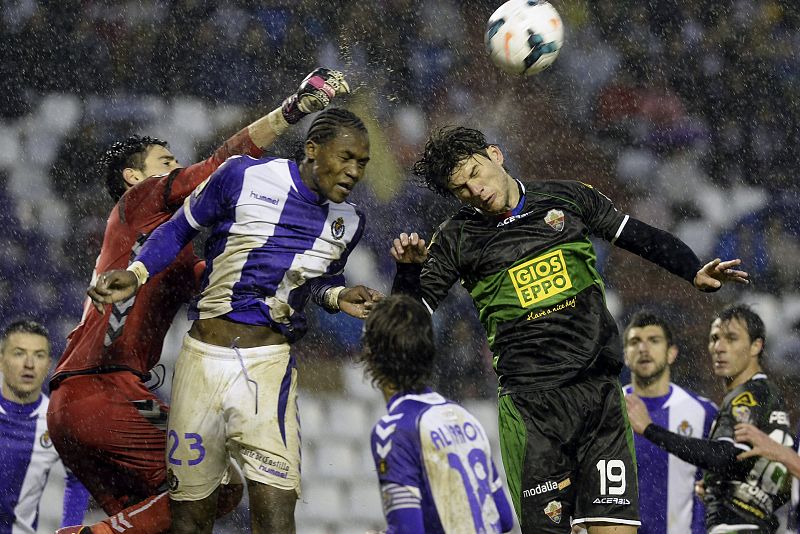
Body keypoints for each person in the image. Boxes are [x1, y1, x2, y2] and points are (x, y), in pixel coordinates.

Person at [390, 125, 749, 533]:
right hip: (532, 409)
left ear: (495, 154)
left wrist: (691, 270)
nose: (475, 190)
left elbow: (637, 235)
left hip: (599, 397)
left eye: (475, 173)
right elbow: (408, 321)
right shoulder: (456, 237)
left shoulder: (567, 197)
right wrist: (407, 272)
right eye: (461, 189)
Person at [47, 68, 351, 534]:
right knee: (220, 485)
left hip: (75, 398)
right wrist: (293, 110)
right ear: (133, 176)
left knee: (160, 514)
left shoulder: (168, 254)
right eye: (166, 161)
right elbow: (220, 166)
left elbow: (238, 285)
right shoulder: (141, 200)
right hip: (106, 390)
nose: (176, 169)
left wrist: (327, 291)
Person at [626, 304, 793, 533]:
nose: (719, 348)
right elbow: (783, 481)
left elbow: (724, 456)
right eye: (714, 338)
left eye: (731, 338)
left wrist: (649, 429)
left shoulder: (749, 396)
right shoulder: (765, 395)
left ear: (756, 345)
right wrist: (720, 487)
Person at [359, 294, 514, 533]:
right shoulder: (464, 418)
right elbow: (503, 518)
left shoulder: (394, 430)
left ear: (371, 358)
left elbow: (407, 530)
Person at [622, 311, 717, 533]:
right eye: (635, 342)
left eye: (654, 341)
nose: (643, 349)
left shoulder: (703, 413)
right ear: (625, 355)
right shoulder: (607, 410)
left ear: (671, 353)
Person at [0, 320, 89, 533]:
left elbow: (79, 480)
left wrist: (69, 529)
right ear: (2, 360)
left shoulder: (56, 422)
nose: (29, 364)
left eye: (39, 355)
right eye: (19, 353)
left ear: (49, 364)